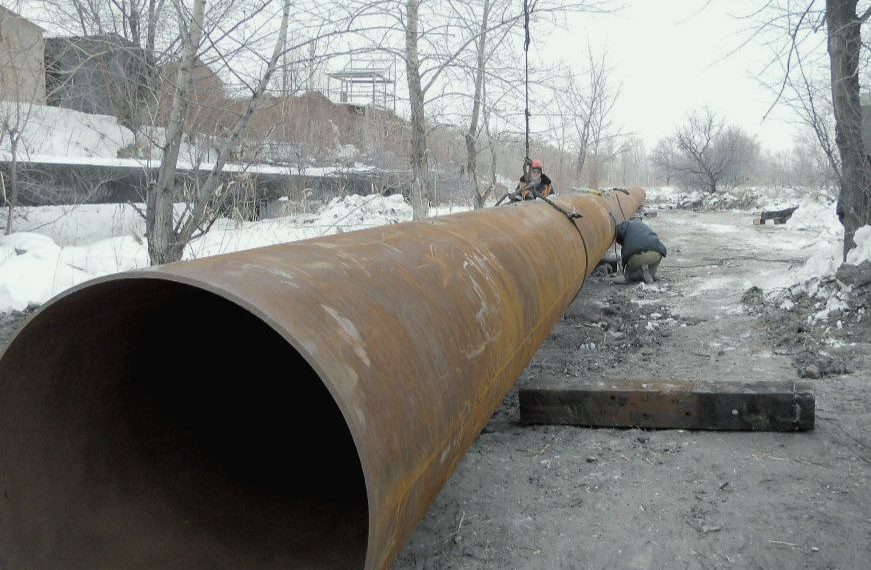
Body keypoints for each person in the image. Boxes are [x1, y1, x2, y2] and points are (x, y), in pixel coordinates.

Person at [614, 218, 667, 284]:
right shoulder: (643, 225)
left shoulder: (624, 225)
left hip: (637, 257)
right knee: (658, 251)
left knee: (630, 258)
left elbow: (620, 234)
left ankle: (631, 276)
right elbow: (662, 249)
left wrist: (624, 266)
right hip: (656, 253)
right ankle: (651, 274)